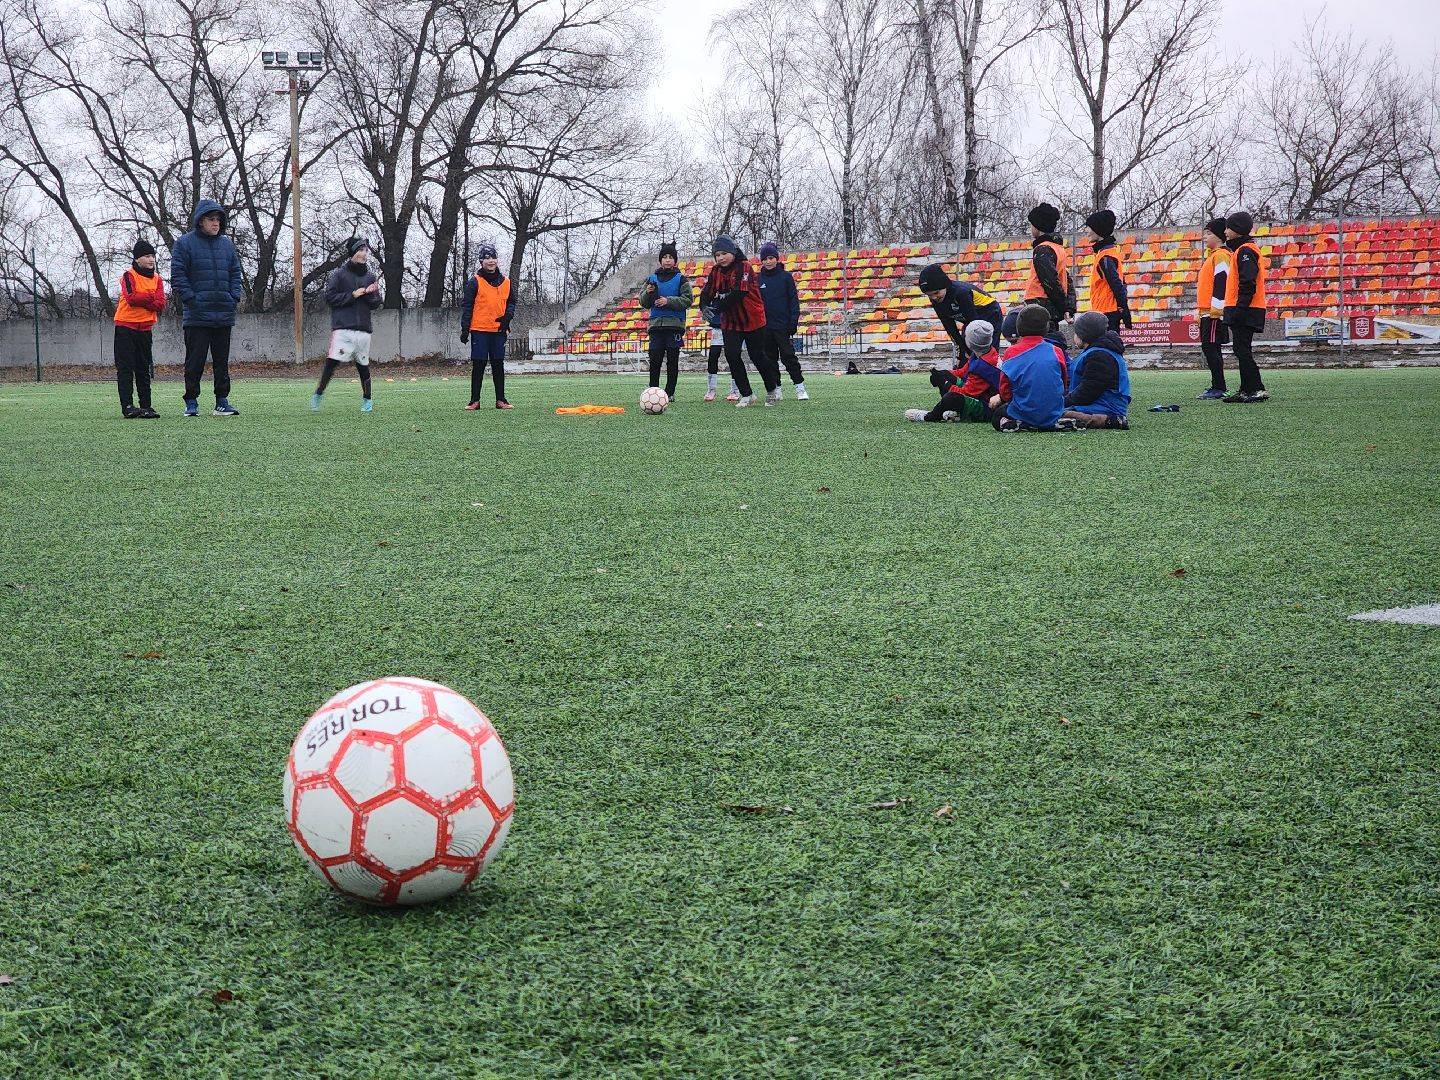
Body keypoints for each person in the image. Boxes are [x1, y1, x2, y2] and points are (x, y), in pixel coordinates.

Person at [170, 198, 242, 416]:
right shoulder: (184, 244)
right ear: (201, 221)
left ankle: (222, 401)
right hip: (197, 315)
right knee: (195, 361)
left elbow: (235, 273)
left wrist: (233, 297)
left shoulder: (227, 245)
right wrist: (192, 300)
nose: (216, 223)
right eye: (211, 219)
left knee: (222, 362)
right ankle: (191, 401)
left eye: (218, 219)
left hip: (223, 313)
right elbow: (178, 275)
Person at [698, 235, 778, 407]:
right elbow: (707, 291)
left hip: (753, 319)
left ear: (733, 252)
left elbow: (739, 293)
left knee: (757, 355)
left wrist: (716, 307)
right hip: (731, 322)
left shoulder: (744, 266)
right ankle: (746, 394)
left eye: (723, 253)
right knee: (732, 355)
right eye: (717, 255)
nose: (720, 258)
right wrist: (703, 306)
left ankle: (772, 389)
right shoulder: (716, 271)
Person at [312, 237, 383, 413]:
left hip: (363, 330)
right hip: (343, 328)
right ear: (352, 252)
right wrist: (352, 295)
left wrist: (371, 294)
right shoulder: (339, 275)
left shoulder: (370, 276)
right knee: (332, 363)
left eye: (366, 251)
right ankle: (318, 394)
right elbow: (330, 297)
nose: (364, 254)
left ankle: (367, 400)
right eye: (360, 250)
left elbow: (375, 303)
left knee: (363, 366)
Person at [990, 304, 1075, 432]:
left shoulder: (1011, 352)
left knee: (997, 416)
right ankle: (1051, 423)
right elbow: (1063, 384)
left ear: (1018, 328)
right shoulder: (1056, 350)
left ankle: (1022, 423)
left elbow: (1005, 389)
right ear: (1046, 328)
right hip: (1053, 413)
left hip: (1023, 411)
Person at [904, 321, 1001, 423]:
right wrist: (943, 374)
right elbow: (963, 372)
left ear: (970, 342)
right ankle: (954, 411)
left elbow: (967, 393)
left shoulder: (982, 366)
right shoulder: (985, 353)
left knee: (951, 398)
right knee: (944, 375)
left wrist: (946, 385)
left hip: (987, 406)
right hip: (983, 395)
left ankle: (929, 416)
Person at [112, 239, 166, 419]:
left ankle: (146, 406)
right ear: (137, 259)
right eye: (147, 256)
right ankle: (127, 406)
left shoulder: (157, 278)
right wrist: (150, 297)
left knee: (143, 368)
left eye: (152, 256)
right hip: (125, 326)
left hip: (145, 328)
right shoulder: (129, 275)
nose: (151, 259)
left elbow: (160, 304)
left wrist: (146, 298)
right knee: (126, 368)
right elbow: (131, 298)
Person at [460, 243, 516, 410]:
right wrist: (465, 329)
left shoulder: (506, 281)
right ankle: (474, 401)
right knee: (479, 365)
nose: (491, 261)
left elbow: (511, 302)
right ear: (481, 261)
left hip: (499, 330)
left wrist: (508, 317)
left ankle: (501, 400)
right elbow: (467, 306)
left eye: (493, 257)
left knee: (498, 365)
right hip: (480, 330)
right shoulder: (474, 282)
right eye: (487, 258)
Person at [1221, 212, 1269, 403]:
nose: (1225, 231)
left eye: (1228, 227)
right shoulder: (1242, 250)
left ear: (1238, 229)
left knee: (1242, 350)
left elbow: (1248, 282)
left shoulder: (1245, 251)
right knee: (1241, 349)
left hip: (1246, 308)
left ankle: (1256, 388)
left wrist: (1240, 308)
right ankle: (1247, 389)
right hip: (1245, 307)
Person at [638, 241, 692, 403]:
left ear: (675, 260)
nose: (667, 260)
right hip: (656, 325)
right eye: (665, 257)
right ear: (660, 260)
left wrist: (668, 301)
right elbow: (643, 302)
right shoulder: (651, 279)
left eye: (671, 257)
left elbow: (687, 300)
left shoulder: (681, 279)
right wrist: (647, 293)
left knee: (672, 360)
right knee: (655, 360)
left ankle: (670, 392)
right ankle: (653, 390)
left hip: (674, 325)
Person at [1062, 311, 1131, 429]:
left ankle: (1107, 421)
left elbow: (1088, 391)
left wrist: (1063, 402)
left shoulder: (1099, 355)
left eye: (1076, 332)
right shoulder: (1100, 351)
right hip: (1099, 405)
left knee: (1051, 414)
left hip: (1104, 407)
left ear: (1083, 335)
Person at [917, 263, 1003, 356]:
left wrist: (972, 352)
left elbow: (973, 323)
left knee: (985, 350)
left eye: (936, 293)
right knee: (965, 353)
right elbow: (949, 326)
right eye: (929, 295)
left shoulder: (961, 293)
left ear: (945, 286)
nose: (934, 298)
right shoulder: (936, 300)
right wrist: (961, 350)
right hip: (969, 319)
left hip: (989, 313)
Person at [757, 242, 807, 400]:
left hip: (783, 326)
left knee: (789, 357)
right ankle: (776, 388)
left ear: (776, 258)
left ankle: (800, 387)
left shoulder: (786, 277)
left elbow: (793, 301)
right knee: (769, 359)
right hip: (765, 327)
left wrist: (793, 322)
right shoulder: (758, 279)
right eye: (765, 259)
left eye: (771, 258)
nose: (768, 261)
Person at [1024, 202, 1075, 330]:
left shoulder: (1043, 249)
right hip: (1051, 305)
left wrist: (1063, 306)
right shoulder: (1058, 248)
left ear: (1038, 226)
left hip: (1040, 303)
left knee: (1040, 337)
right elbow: (1066, 279)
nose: (1031, 228)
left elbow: (1049, 280)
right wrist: (1068, 306)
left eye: (1032, 225)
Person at [1196, 217, 1231, 399]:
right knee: (1210, 347)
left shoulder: (1221, 255)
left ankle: (1219, 386)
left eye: (1208, 233)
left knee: (1210, 347)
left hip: (1213, 313)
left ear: (1218, 236)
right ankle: (1217, 385)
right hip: (1207, 312)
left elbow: (1221, 283)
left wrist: (1216, 311)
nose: (1205, 237)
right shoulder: (1213, 256)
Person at [1083, 210, 1132, 333]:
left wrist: (1125, 310)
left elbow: (1116, 284)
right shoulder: (1107, 253)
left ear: (1098, 230)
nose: (1086, 231)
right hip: (1105, 310)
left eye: (1089, 227)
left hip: (1106, 312)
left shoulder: (1105, 256)